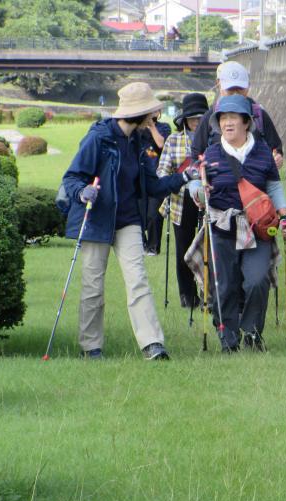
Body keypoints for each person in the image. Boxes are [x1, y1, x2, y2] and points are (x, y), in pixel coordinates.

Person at [62, 82, 203, 360]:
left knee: (138, 280)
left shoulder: (138, 142)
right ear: (137, 114)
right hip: (97, 220)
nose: (154, 119)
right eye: (150, 114)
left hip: (127, 220)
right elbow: (71, 178)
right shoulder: (98, 139)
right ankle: (91, 347)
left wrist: (185, 177)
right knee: (93, 285)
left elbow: (152, 186)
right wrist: (82, 191)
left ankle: (152, 343)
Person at [188, 95, 286, 352]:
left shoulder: (263, 152)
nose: (227, 123)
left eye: (233, 118)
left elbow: (274, 185)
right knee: (225, 284)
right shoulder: (210, 153)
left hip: (258, 227)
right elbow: (195, 183)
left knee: (257, 280)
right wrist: (198, 192)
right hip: (222, 225)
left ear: (247, 122)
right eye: (223, 118)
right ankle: (227, 335)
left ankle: (253, 333)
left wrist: (284, 213)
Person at [157, 92, 209, 308]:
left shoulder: (215, 139)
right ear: (185, 119)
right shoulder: (173, 140)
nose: (197, 122)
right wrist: (180, 178)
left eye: (201, 117)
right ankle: (187, 296)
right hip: (180, 200)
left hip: (209, 201)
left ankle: (209, 294)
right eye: (193, 118)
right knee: (183, 250)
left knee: (208, 249)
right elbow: (161, 172)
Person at [191, 61, 284, 170]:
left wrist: (278, 158)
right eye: (230, 90)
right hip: (218, 183)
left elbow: (276, 149)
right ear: (219, 85)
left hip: (255, 182)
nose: (235, 94)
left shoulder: (259, 115)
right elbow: (196, 154)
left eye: (240, 89)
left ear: (248, 86)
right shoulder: (210, 117)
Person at [142, 111, 172, 255]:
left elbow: (161, 144)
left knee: (154, 214)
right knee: (138, 212)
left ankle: (153, 247)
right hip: (139, 175)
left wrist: (152, 126)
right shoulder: (137, 127)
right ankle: (141, 244)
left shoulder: (164, 127)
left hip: (157, 176)